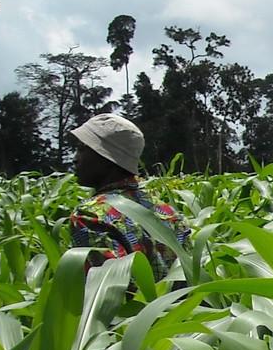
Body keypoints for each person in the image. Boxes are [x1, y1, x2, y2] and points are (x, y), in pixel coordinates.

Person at [67, 113, 191, 282]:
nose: (75, 159)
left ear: (106, 157)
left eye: (83, 149)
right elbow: (192, 278)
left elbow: (110, 294)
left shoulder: (90, 216)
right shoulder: (169, 212)